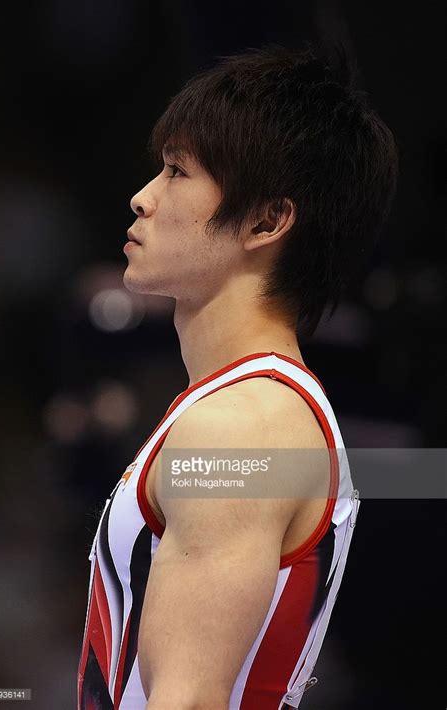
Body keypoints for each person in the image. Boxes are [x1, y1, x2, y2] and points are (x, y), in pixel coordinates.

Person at [77, 41, 398, 709]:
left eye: (175, 173)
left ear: (266, 219)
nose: (142, 198)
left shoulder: (243, 427)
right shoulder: (242, 411)